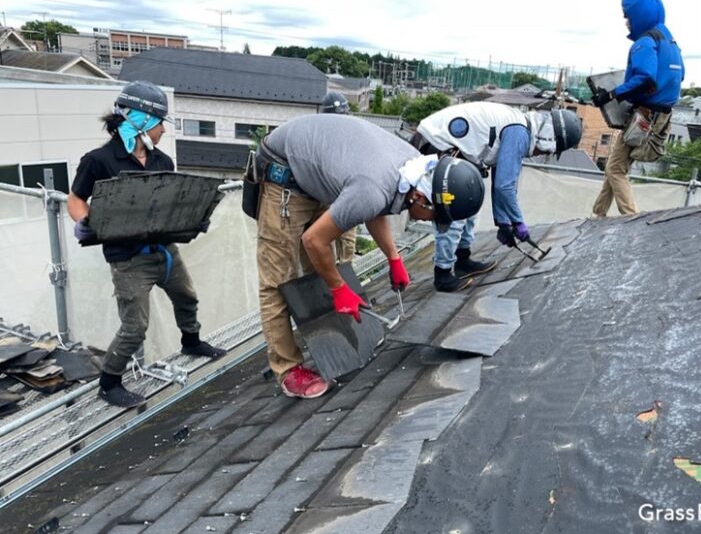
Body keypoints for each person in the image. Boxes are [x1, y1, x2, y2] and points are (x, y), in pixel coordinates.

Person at [255, 114, 484, 398]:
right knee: (279, 278)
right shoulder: (373, 187)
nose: (428, 222)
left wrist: (393, 258)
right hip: (284, 171)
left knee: (324, 267)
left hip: (318, 170)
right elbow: (314, 240)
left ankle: (334, 343)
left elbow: (376, 208)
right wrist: (339, 289)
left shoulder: (414, 167)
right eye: (434, 217)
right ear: (422, 198)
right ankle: (287, 369)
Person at [67, 80, 225, 409]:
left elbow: (172, 201)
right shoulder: (98, 160)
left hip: (165, 250)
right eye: (160, 123)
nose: (164, 131)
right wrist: (84, 222)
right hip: (128, 259)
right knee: (135, 326)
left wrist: (194, 216)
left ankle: (191, 342)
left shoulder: (162, 161)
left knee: (187, 297)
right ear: (141, 121)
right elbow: (76, 198)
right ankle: (109, 382)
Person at [411, 102, 582, 291]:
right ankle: (442, 275)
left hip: (453, 149)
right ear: (548, 139)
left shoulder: (519, 127)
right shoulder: (519, 132)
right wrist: (517, 222)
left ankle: (463, 260)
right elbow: (504, 186)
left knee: (470, 202)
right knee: (456, 211)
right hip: (436, 144)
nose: (539, 153)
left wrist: (503, 222)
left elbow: (500, 180)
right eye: (546, 151)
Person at [591, 0, 684, 217]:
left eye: (628, 17)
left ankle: (631, 218)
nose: (627, 23)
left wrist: (612, 94)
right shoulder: (670, 41)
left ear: (639, 14)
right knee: (616, 166)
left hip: (644, 115)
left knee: (614, 169)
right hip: (661, 115)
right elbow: (680, 76)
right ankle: (598, 213)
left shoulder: (644, 42)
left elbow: (645, 78)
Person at [320, 91, 356, 263]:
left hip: (347, 193)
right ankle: (330, 277)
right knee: (325, 238)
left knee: (348, 241)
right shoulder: (319, 136)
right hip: (324, 194)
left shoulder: (352, 135)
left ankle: (346, 274)